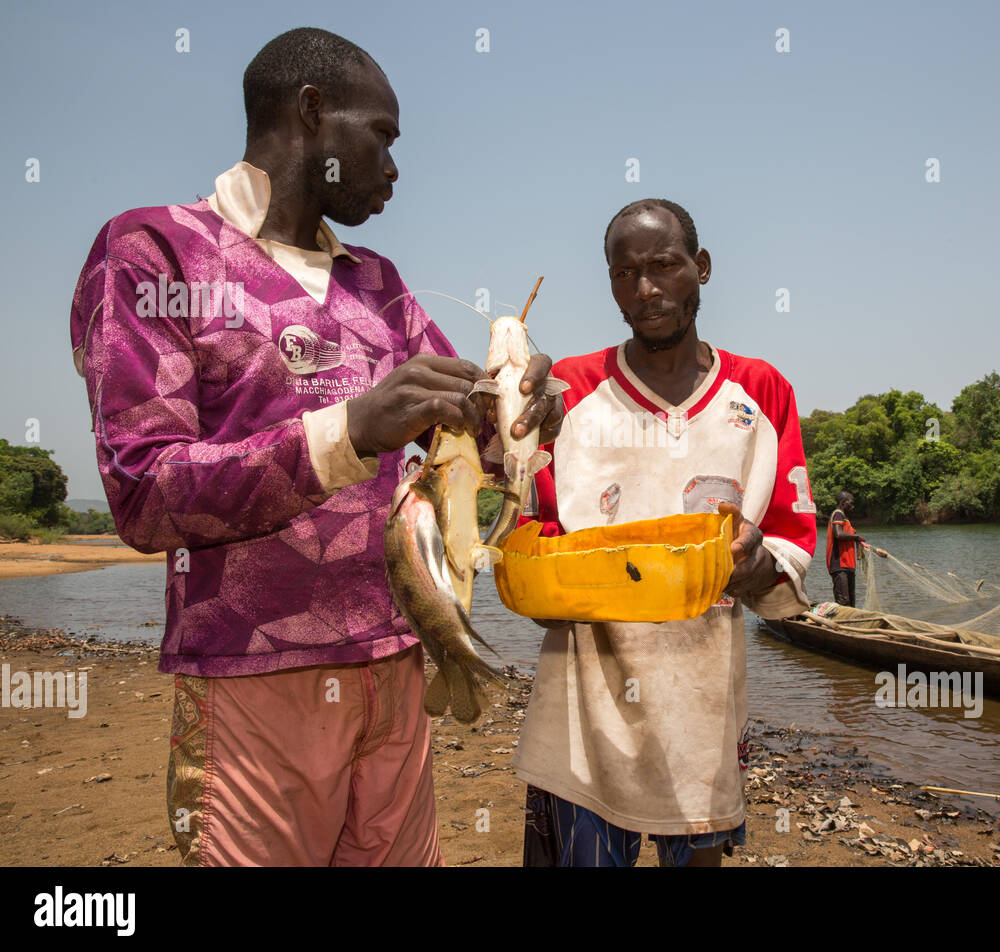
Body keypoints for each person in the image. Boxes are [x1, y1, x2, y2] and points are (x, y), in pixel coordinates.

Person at [68, 28, 560, 866]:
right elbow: (144, 493)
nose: (396, 169)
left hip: (403, 666)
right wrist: (350, 431)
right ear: (311, 112)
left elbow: (465, 430)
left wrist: (519, 405)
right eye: (384, 137)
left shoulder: (380, 282)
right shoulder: (154, 250)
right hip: (251, 682)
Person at [513, 199, 817, 867]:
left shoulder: (761, 391)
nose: (645, 290)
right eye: (624, 274)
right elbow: (529, 543)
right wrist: (504, 419)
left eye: (663, 266)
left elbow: (792, 547)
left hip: (701, 707)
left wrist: (754, 563)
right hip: (583, 710)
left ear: (701, 268)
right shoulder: (571, 393)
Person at [826, 491, 866, 606]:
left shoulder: (845, 518)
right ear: (843, 502)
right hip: (839, 563)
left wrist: (856, 539)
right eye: (851, 503)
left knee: (851, 602)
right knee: (843, 600)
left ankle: (849, 623)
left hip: (848, 564)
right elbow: (838, 534)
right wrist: (856, 536)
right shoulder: (838, 514)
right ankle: (837, 622)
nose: (853, 506)